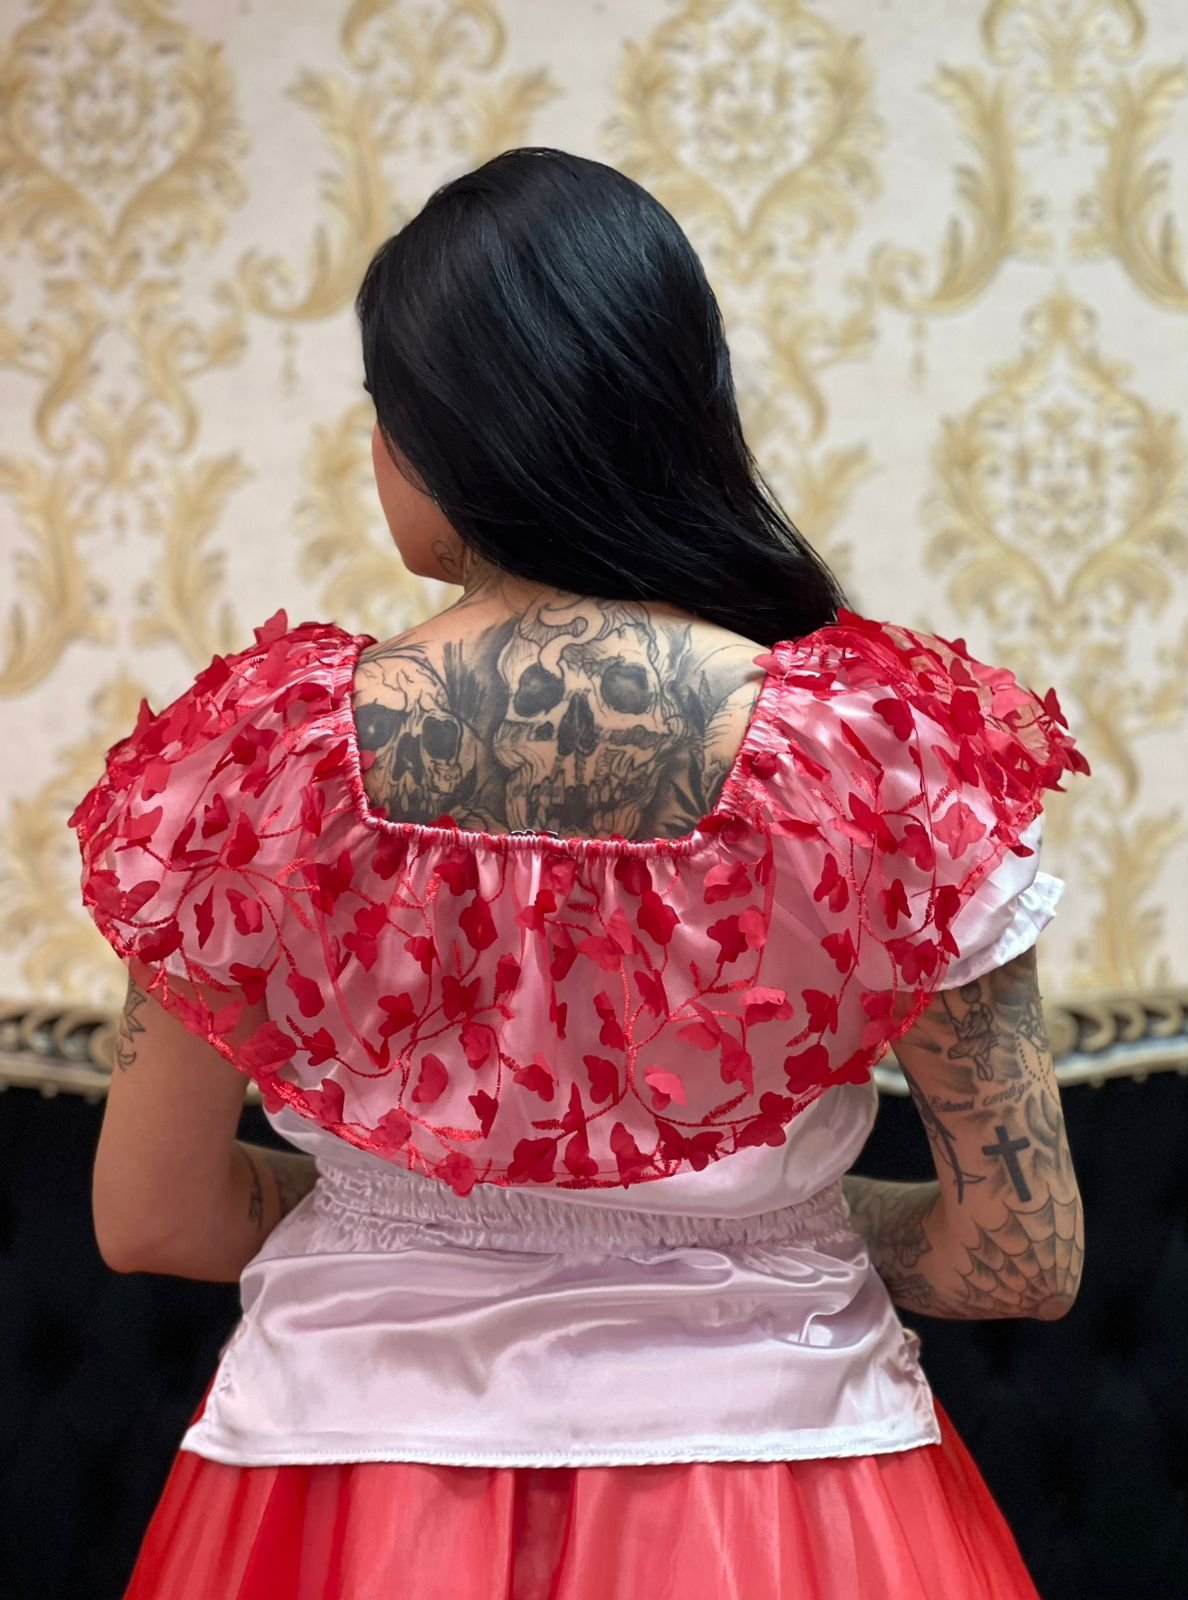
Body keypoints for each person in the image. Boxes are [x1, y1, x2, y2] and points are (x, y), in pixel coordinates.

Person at [72, 148, 1088, 1599]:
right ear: (685, 411)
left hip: (347, 1485)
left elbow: (152, 1216)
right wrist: (770, 1223)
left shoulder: (254, 769)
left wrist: (416, 1212)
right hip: (786, 1490)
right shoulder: (884, 766)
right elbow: (1019, 1254)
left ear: (418, 440)